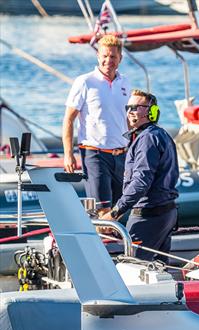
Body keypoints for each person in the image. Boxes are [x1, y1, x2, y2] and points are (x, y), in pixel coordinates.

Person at [99, 90, 179, 263]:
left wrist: (115, 212)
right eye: (128, 107)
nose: (130, 112)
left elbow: (141, 182)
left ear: (152, 112)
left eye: (136, 107)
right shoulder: (157, 135)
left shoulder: (147, 139)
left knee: (133, 268)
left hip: (149, 216)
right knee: (158, 268)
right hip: (165, 213)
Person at [63, 34, 130, 214]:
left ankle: (114, 241)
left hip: (120, 155)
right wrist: (68, 155)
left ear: (120, 58)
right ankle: (103, 241)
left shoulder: (125, 82)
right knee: (103, 211)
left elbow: (128, 120)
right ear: (98, 56)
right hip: (95, 154)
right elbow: (69, 119)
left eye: (113, 56)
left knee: (118, 210)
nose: (108, 60)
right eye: (105, 56)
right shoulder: (84, 82)